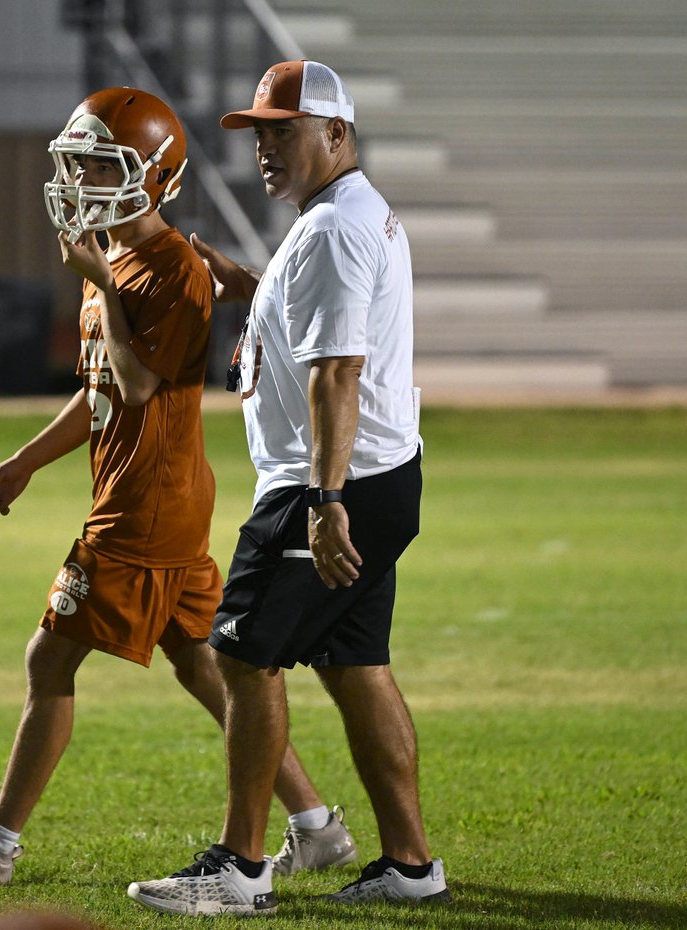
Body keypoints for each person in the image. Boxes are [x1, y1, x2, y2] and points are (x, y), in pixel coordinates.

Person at [0, 87, 354, 886]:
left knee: (49, 662)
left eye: (101, 162)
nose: (80, 176)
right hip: (157, 498)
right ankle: (314, 826)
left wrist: (105, 285)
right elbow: (101, 388)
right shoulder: (112, 253)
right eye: (75, 161)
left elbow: (139, 386)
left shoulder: (166, 265)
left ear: (154, 175)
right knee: (210, 669)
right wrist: (28, 460)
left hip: (146, 507)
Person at [126, 60, 449, 916]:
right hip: (379, 475)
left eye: (284, 130)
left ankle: (239, 868)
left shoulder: (333, 229)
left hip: (331, 485)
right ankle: (411, 867)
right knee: (355, 665)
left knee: (241, 654)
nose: (265, 148)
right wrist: (246, 283)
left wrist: (324, 499)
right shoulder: (343, 215)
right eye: (259, 133)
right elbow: (315, 322)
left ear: (335, 134)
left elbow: (337, 372)